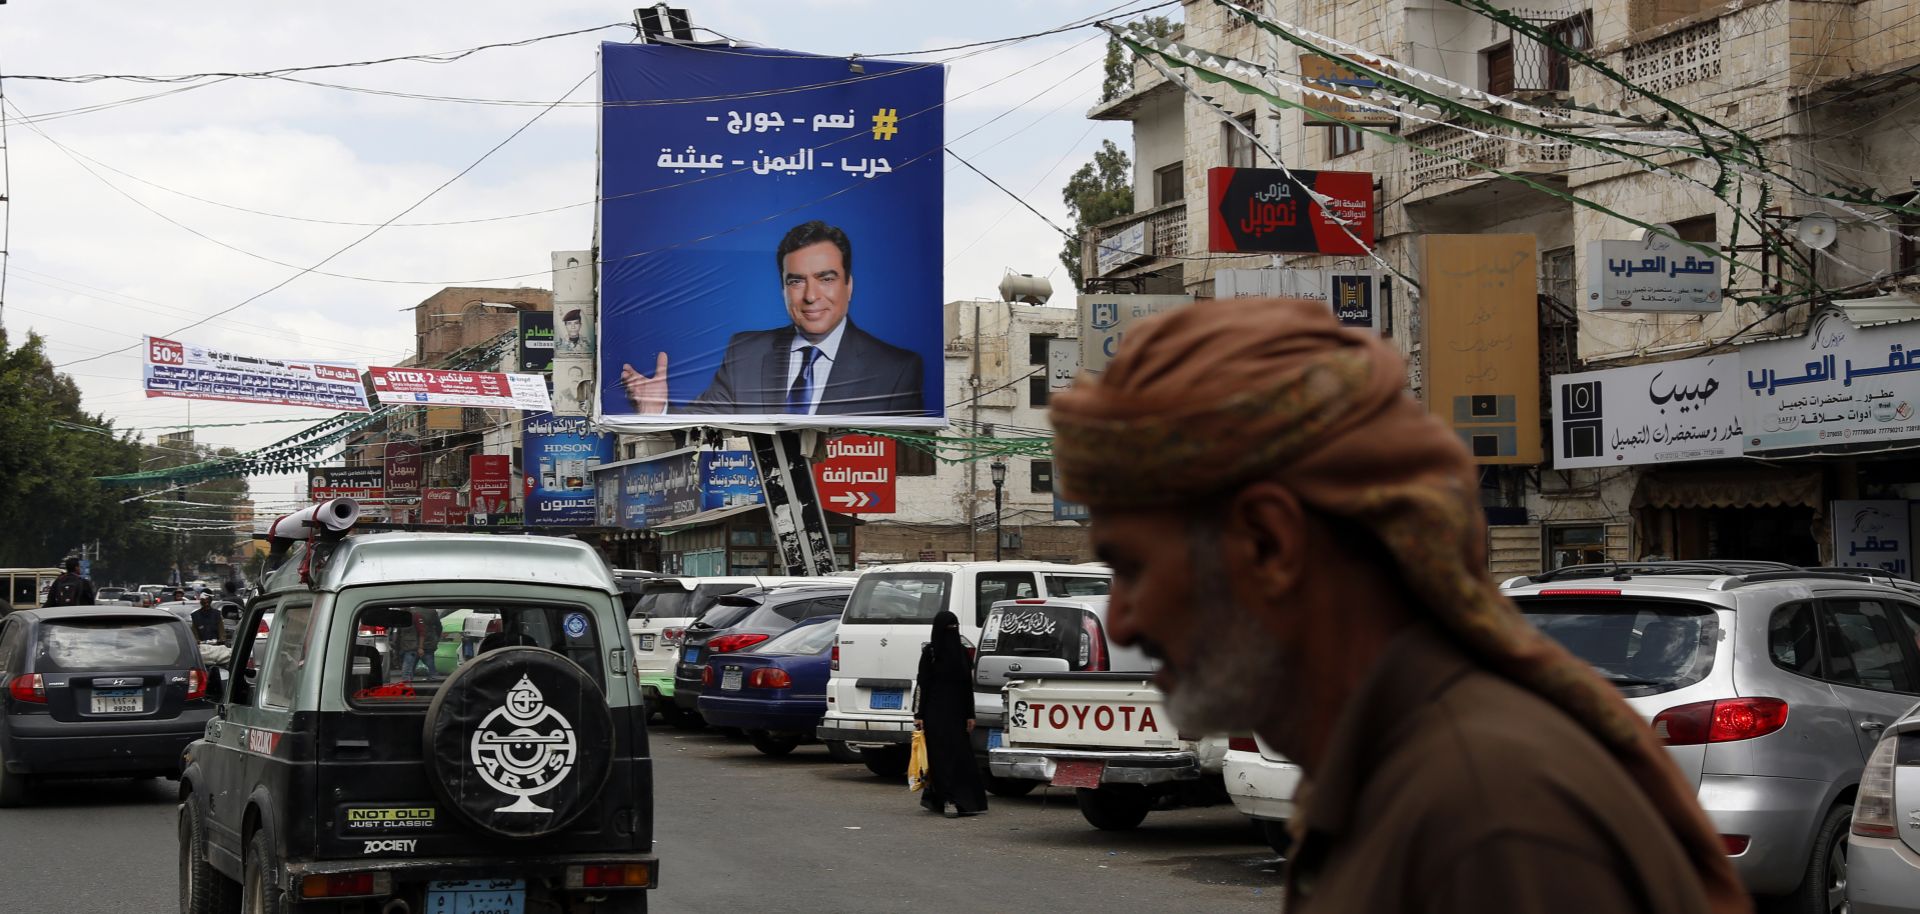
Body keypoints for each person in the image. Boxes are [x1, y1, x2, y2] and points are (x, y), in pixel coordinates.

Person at [1047, 297, 1748, 914]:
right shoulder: (1399, 780)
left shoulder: (1489, 817)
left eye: (1133, 568)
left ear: (1268, 543)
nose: (1126, 620)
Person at [618, 221, 926, 417]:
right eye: (796, 281)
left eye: (826, 278)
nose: (810, 295)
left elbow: (900, 452)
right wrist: (656, 409)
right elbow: (702, 425)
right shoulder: (746, 351)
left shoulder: (896, 369)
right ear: (783, 289)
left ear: (849, 285)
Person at [911, 610, 987, 818]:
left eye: (955, 627)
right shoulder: (931, 653)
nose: (952, 632)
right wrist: (918, 714)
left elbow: (966, 686)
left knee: (961, 757)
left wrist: (970, 714)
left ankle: (966, 800)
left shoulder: (961, 652)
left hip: (958, 713)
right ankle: (947, 799)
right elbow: (922, 684)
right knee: (940, 758)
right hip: (934, 713)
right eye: (948, 628)